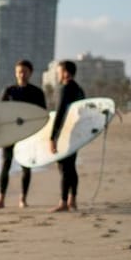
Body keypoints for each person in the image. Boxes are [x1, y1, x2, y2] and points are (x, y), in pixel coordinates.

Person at [0, 59, 47, 209]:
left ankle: (23, 199)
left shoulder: (37, 92)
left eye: (24, 72)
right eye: (19, 72)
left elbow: (42, 115)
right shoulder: (9, 91)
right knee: (5, 165)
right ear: (15, 73)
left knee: (26, 166)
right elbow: (0, 113)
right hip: (10, 134)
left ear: (30, 73)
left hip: (27, 135)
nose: (21, 75)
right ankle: (1, 199)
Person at [49, 60, 86, 212]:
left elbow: (60, 113)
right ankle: (73, 200)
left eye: (58, 72)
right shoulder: (79, 89)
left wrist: (53, 137)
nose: (57, 75)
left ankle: (63, 202)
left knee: (64, 167)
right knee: (71, 166)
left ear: (65, 73)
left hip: (66, 133)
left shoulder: (65, 89)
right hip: (77, 133)